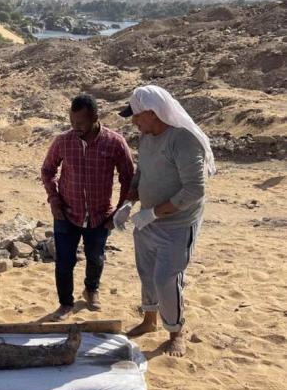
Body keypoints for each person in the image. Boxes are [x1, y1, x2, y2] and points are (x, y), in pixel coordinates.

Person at [115, 85, 215, 357]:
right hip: (147, 222)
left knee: (166, 279)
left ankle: (176, 331)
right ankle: (150, 321)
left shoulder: (182, 141)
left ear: (153, 113)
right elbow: (142, 173)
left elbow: (194, 190)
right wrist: (128, 203)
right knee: (146, 274)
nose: (133, 122)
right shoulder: (147, 137)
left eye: (136, 116)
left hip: (177, 225)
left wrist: (154, 213)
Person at [41, 94, 134, 320]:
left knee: (96, 257)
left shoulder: (115, 142)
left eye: (80, 124)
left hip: (100, 216)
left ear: (95, 117)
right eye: (72, 123)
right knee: (64, 261)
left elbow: (128, 178)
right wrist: (54, 200)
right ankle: (65, 303)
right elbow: (47, 170)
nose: (75, 128)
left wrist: (119, 213)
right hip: (66, 213)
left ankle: (91, 290)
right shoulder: (63, 141)